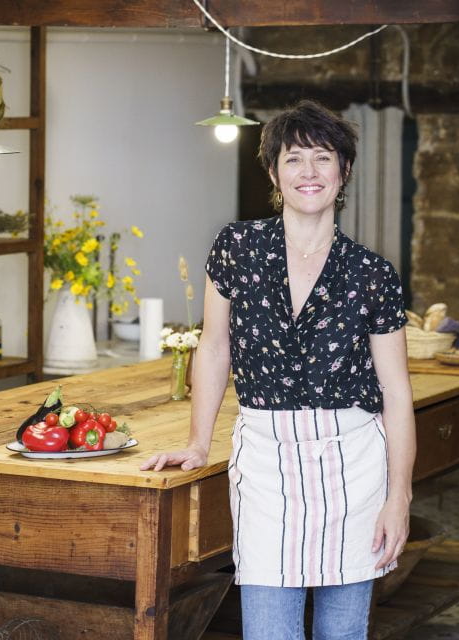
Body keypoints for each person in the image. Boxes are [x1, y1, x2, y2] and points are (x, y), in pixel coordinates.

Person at [140, 100, 415, 640]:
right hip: (265, 461)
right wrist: (198, 443)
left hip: (354, 465)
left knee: (342, 632)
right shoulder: (237, 248)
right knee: (268, 630)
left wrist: (398, 496)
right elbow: (214, 348)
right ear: (273, 172)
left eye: (323, 157)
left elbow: (395, 390)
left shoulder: (373, 274)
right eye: (293, 159)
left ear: (344, 172)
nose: (309, 172)